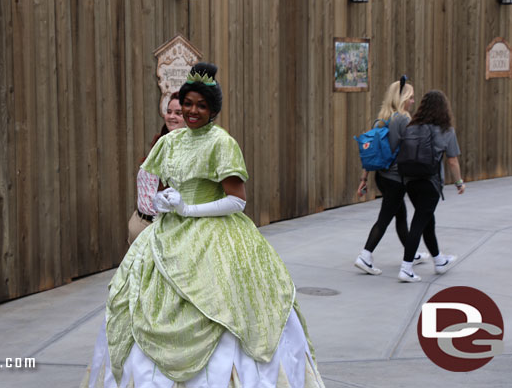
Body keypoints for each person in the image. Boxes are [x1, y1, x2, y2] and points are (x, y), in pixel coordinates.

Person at [82, 63, 325, 387]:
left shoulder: (222, 144)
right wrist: (162, 201)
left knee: (226, 302)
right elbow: (150, 178)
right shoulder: (170, 142)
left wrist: (188, 208)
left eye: (201, 105)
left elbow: (237, 200)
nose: (193, 110)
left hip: (218, 235)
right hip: (167, 233)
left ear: (213, 110)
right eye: (188, 103)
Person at [354, 76, 429, 276]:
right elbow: (413, 149)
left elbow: (372, 152)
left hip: (382, 176)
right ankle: (365, 255)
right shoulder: (403, 119)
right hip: (396, 178)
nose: (413, 101)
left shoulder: (384, 116)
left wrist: (363, 179)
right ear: (403, 97)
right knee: (385, 219)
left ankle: (410, 254)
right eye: (411, 97)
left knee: (400, 215)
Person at [397, 90, 465, 282]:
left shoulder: (411, 126)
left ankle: (438, 260)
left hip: (410, 181)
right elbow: (452, 160)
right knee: (419, 222)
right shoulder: (446, 130)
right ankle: (406, 268)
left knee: (427, 220)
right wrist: (459, 182)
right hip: (431, 183)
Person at [127, 92, 185, 245]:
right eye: (169, 111)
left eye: (178, 113)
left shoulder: (190, 150)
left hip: (163, 228)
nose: (171, 116)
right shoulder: (159, 141)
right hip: (139, 222)